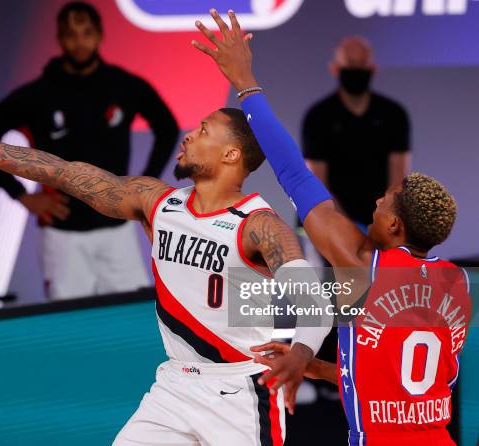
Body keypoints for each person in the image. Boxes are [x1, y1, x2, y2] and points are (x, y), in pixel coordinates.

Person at [0, 78, 330, 444]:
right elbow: (60, 171)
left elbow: (313, 300)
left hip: (242, 390)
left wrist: (300, 352)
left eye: (203, 130)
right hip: (176, 385)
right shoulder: (156, 202)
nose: (188, 135)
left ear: (231, 155)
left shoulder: (259, 224)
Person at [190, 9, 471, 445]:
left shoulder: (362, 266)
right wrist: (316, 366)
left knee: (255, 291)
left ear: (395, 225)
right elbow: (398, 383)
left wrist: (245, 82)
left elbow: (295, 175)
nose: (376, 201)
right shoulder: (455, 285)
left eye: (385, 202)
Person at [0, 1, 180, 299]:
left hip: (117, 230)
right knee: (71, 331)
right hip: (62, 234)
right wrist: (20, 195)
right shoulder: (37, 94)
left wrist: (144, 185)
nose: (79, 41)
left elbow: (167, 127)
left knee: (129, 323)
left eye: (86, 33)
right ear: (59, 38)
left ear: (99, 35)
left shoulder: (124, 86)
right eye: (70, 34)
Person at [302, 36, 411, 231]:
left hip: (380, 225)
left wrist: (382, 224)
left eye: (361, 65)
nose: (356, 71)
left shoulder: (394, 115)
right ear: (334, 68)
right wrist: (348, 231)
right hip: (329, 223)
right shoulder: (318, 117)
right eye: (350, 65)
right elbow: (317, 183)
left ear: (373, 68)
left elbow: (397, 180)